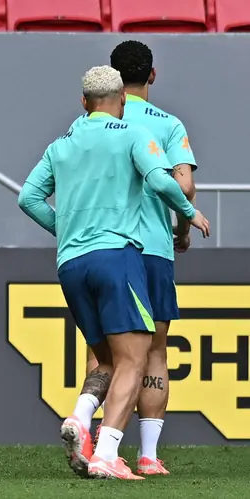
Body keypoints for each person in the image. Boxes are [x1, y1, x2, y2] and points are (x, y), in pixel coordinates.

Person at [17, 65, 209, 480]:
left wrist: (67, 230)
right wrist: (189, 213)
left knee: (105, 357)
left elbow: (28, 197)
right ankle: (106, 454)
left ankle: (80, 416)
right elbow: (162, 181)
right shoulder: (133, 134)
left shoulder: (60, 145)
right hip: (115, 257)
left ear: (83, 102)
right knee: (135, 358)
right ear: (122, 99)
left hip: (71, 264)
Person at [79, 40, 198, 477]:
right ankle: (147, 455)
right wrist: (182, 228)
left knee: (103, 352)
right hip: (153, 248)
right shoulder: (167, 124)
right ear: (152, 75)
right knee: (155, 351)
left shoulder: (91, 123)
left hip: (104, 245)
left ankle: (92, 439)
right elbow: (183, 187)